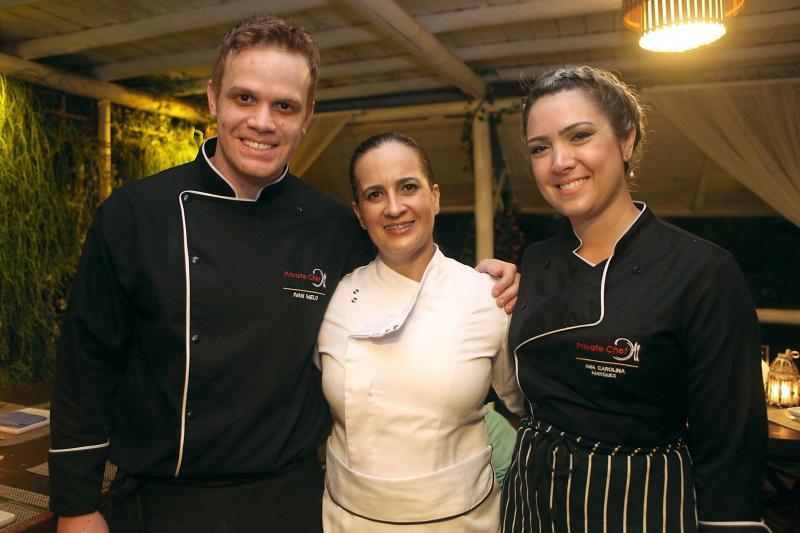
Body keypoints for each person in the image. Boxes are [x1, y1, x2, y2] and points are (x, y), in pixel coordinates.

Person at [49, 16, 518, 533]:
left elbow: (408, 259)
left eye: (284, 106)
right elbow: (86, 364)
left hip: (290, 503)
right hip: (163, 505)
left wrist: (489, 281)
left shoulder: (331, 226)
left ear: (307, 116)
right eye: (244, 98)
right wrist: (76, 504)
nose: (262, 122)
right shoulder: (135, 214)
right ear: (213, 98)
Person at [501, 66, 768, 533]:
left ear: (627, 141)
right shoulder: (538, 260)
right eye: (539, 148)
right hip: (532, 499)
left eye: (579, 136)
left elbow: (731, 440)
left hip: (638, 503)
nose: (559, 161)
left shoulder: (702, 271)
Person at [317, 132, 525, 532]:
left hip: (462, 523)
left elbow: (529, 408)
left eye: (408, 187)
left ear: (435, 197)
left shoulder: (488, 298)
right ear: (359, 213)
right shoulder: (333, 299)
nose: (395, 207)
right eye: (375, 195)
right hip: (348, 521)